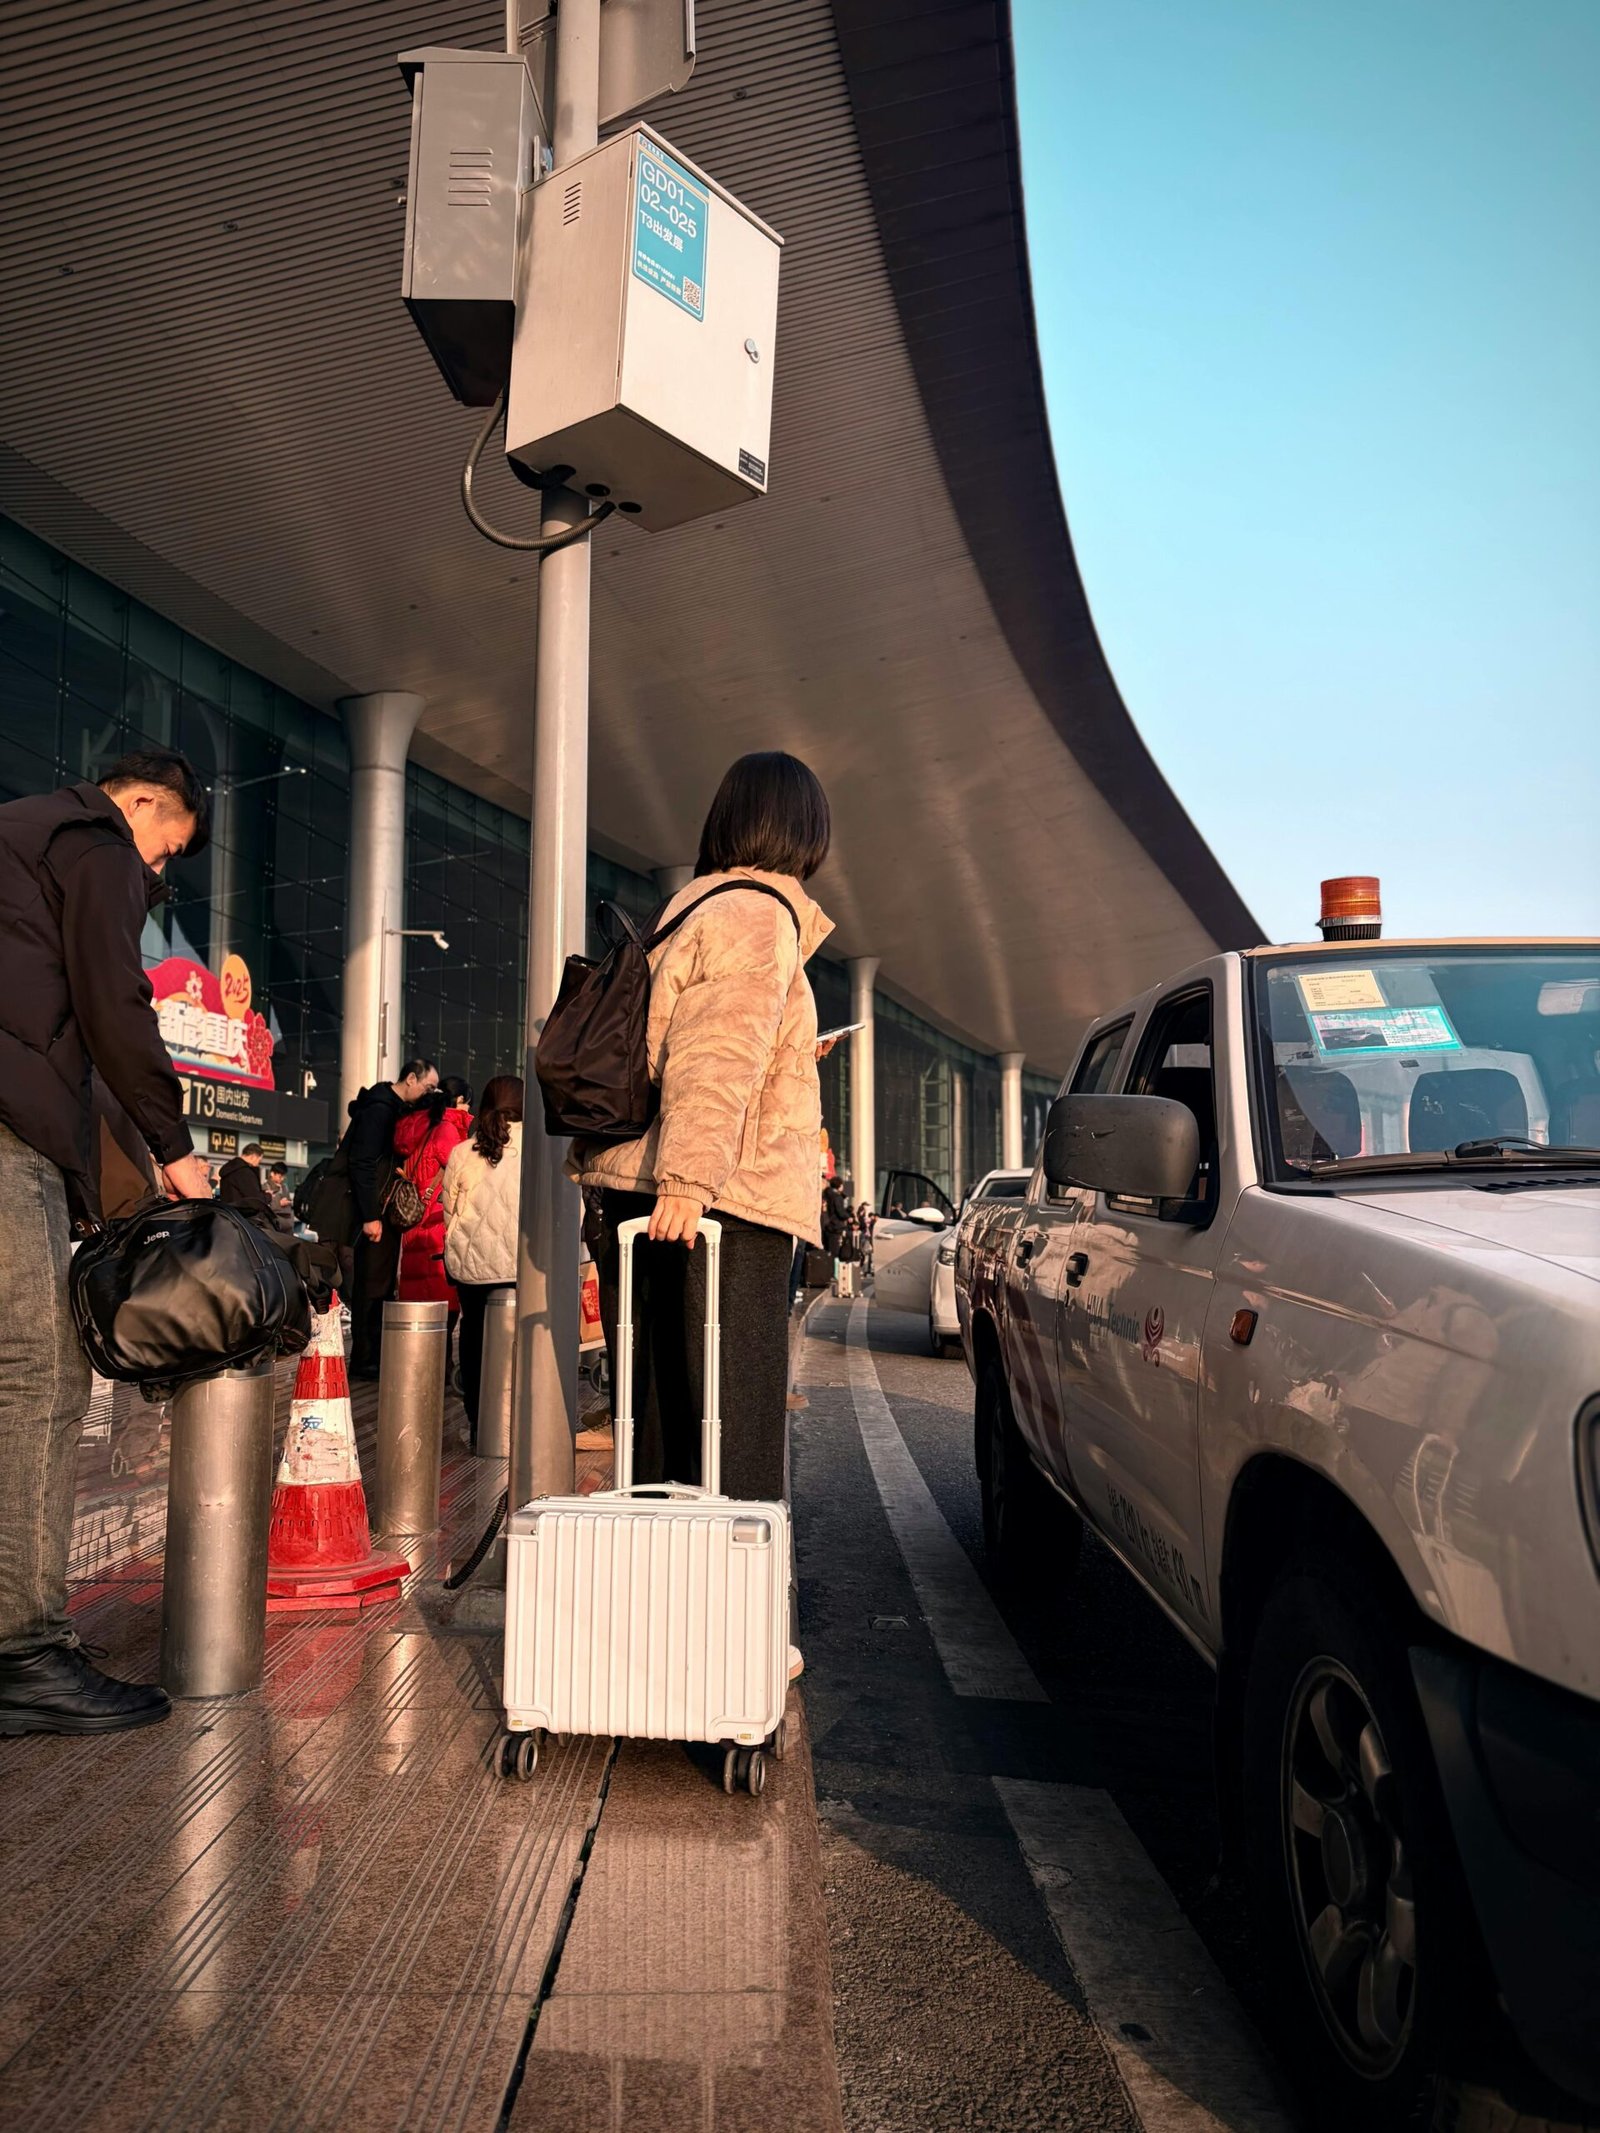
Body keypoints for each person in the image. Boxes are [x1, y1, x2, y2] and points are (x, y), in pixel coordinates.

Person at [574, 752, 838, 1679]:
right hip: (724, 1205)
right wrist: (689, 1181)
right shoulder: (760, 913)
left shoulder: (688, 908)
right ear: (799, 831)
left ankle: (663, 1627)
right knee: (735, 1417)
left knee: (659, 1413)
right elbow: (716, 1055)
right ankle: (739, 1637)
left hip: (649, 1191)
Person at [0, 747, 213, 1737]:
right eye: (167, 845)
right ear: (142, 802)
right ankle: (23, 1651)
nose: (159, 868)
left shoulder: (22, 834)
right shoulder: (94, 845)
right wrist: (175, 1148)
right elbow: (114, 1003)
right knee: (41, 1373)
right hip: (7, 1131)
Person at [441, 1075, 523, 1448]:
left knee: (474, 1340)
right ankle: (516, 1427)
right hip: (520, 1267)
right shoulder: (537, 1148)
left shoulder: (463, 1151)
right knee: (520, 1344)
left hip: (470, 1265)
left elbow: (449, 1210)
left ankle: (479, 1426)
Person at [342, 1059, 438, 1376]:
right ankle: (365, 1359)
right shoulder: (380, 1109)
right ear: (411, 1078)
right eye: (428, 1087)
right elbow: (362, 1163)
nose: (430, 1094)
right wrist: (370, 1215)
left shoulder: (391, 1107)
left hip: (382, 1209)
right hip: (375, 1212)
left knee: (381, 1284)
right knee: (371, 1284)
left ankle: (373, 1355)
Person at [394, 1075, 473, 1332]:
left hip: (414, 1218)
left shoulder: (415, 1126)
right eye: (467, 1104)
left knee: (418, 1308)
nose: (468, 1110)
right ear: (459, 1100)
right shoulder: (446, 1129)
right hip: (437, 1223)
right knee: (441, 1308)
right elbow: (464, 1173)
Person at [216, 1141, 271, 1220]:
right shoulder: (245, 1172)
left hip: (228, 1216)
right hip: (243, 1218)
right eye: (259, 1160)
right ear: (253, 1156)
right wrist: (268, 1196)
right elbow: (255, 1200)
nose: (258, 1164)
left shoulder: (229, 1170)